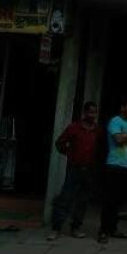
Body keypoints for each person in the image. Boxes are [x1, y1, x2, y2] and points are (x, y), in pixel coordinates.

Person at [48, 101, 100, 241]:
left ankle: (76, 227)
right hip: (74, 168)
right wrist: (70, 153)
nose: (92, 115)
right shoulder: (74, 128)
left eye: (94, 112)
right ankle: (56, 228)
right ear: (85, 113)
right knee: (66, 197)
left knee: (83, 200)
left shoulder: (97, 130)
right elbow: (60, 143)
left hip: (89, 169)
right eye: (90, 112)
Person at [100, 96, 127, 242]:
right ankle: (103, 231)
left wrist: (125, 136)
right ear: (123, 107)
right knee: (110, 200)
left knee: (119, 200)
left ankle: (113, 228)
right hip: (114, 165)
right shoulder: (115, 121)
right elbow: (117, 140)